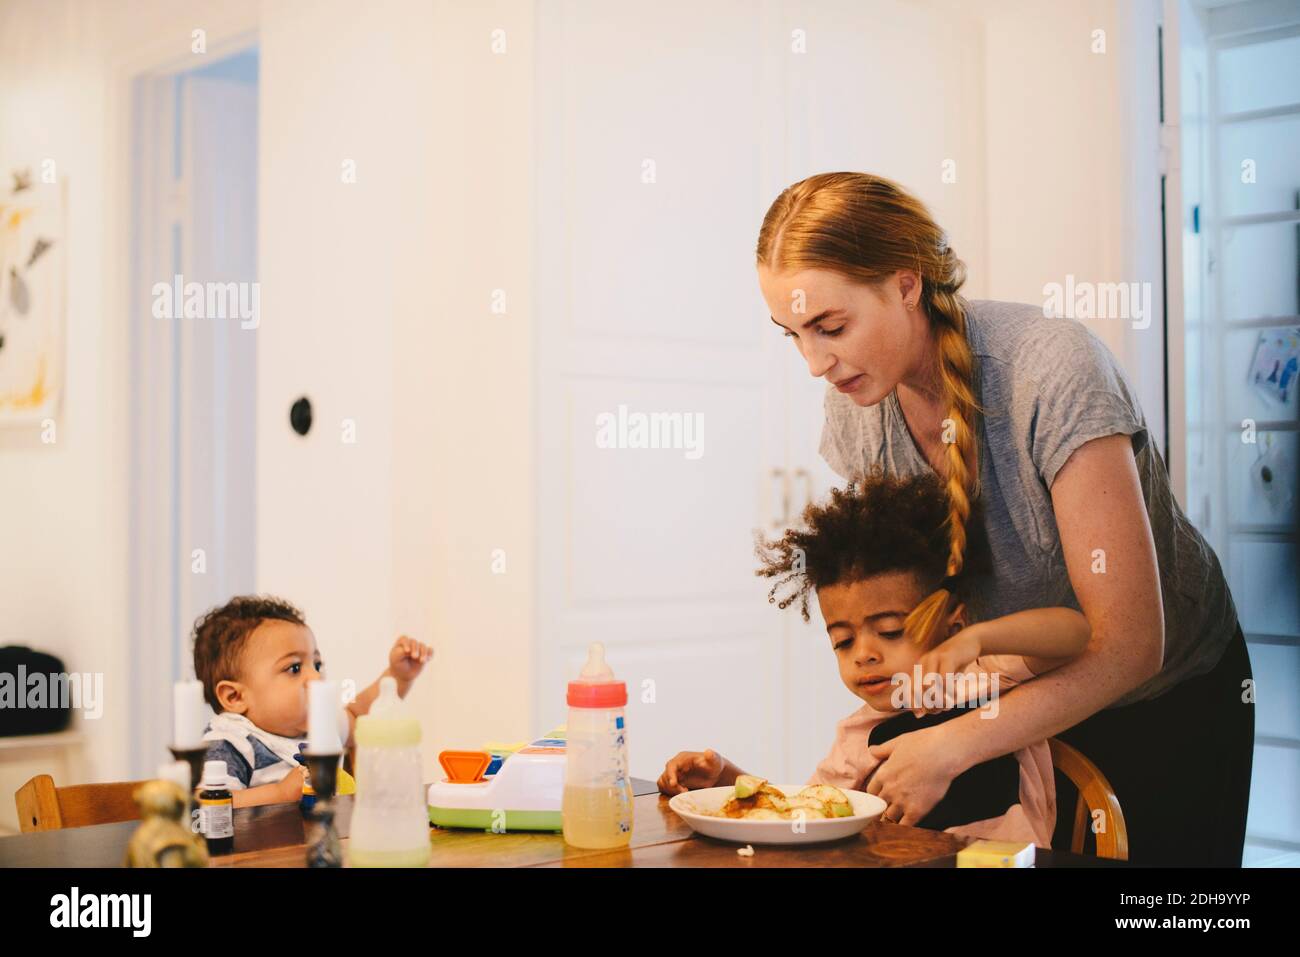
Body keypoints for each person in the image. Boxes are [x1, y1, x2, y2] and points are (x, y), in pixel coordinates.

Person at [754, 171, 1253, 865]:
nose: (814, 363)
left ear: (906, 283)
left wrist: (958, 740)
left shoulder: (1051, 370)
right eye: (793, 334)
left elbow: (1131, 643)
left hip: (1164, 695)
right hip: (1016, 699)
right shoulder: (857, 403)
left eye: (830, 327)